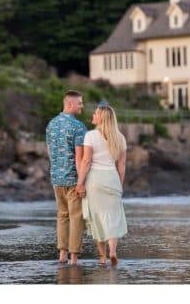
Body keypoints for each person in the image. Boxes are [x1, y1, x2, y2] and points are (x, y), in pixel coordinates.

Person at [77, 102, 129, 266]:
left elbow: (86, 161)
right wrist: (120, 185)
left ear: (102, 118)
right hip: (112, 179)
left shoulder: (90, 135)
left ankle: (102, 257)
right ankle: (113, 252)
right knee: (112, 218)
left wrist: (80, 183)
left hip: (95, 180)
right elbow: (121, 166)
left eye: (96, 114)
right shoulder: (120, 138)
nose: (93, 115)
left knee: (97, 218)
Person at [45, 89, 88, 266]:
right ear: (70, 104)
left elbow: (50, 153)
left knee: (62, 216)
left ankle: (62, 255)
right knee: (76, 217)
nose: (82, 106)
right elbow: (79, 158)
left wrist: (57, 169)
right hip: (72, 179)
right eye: (80, 103)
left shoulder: (51, 124)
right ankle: (74, 258)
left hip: (56, 178)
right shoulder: (78, 127)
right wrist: (81, 183)